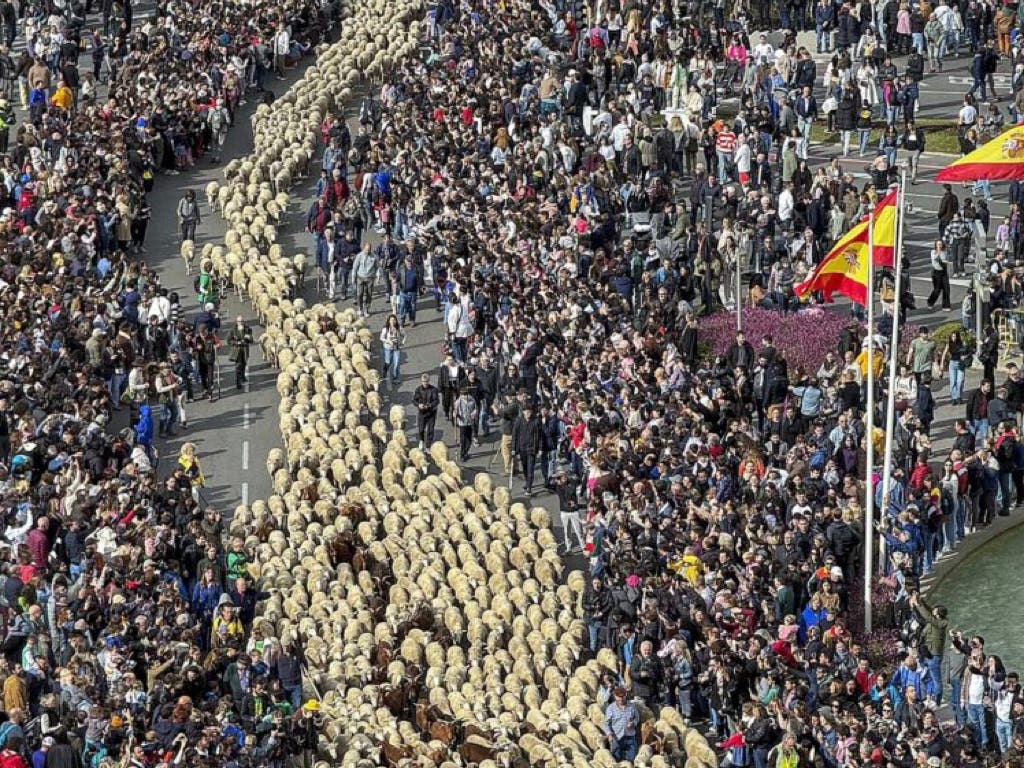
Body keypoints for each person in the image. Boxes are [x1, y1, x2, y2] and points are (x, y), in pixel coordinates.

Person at [511, 400, 542, 495]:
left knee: (530, 468)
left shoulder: (536, 421)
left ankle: (529, 487)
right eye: (526, 412)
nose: (528, 414)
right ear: (523, 412)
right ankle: (527, 481)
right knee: (524, 467)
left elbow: (540, 436)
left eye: (529, 412)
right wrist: (513, 448)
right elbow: (515, 435)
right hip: (522, 448)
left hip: (532, 449)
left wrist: (540, 448)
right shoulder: (519, 421)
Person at [604, 688, 640, 762]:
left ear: (625, 695)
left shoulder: (632, 706)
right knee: (616, 761)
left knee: (631, 761)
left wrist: (633, 723)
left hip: (630, 738)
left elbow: (637, 717)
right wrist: (609, 734)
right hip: (616, 738)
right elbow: (606, 724)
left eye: (622, 697)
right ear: (615, 696)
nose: (621, 699)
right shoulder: (611, 708)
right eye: (618, 697)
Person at [412, 372, 440, 449]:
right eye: (424, 381)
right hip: (422, 413)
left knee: (430, 430)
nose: (425, 383)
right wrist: (419, 405)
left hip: (431, 412)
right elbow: (414, 400)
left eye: (426, 381)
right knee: (421, 429)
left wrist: (430, 405)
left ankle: (428, 446)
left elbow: (437, 401)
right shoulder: (418, 390)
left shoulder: (434, 389)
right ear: (421, 381)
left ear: (429, 381)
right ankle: (421, 440)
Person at [379, 313, 406, 387]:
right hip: (388, 348)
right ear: (389, 321)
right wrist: (388, 341)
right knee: (388, 362)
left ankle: (395, 378)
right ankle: (384, 373)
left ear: (396, 321)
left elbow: (404, 335)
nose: (393, 322)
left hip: (396, 348)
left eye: (394, 320)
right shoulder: (385, 329)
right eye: (391, 320)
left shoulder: (399, 328)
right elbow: (381, 338)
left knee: (396, 363)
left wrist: (402, 343)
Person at [227, 316, 253, 390]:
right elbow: (229, 340)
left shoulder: (248, 329)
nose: (240, 323)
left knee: (244, 363)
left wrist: (249, 338)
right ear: (237, 322)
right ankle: (238, 383)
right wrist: (236, 342)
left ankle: (242, 376)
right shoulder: (233, 330)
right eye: (239, 321)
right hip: (237, 350)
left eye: (242, 321)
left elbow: (251, 340)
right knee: (238, 366)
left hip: (244, 349)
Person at [453, 386, 478, 462]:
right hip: (462, 423)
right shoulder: (458, 402)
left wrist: (474, 412)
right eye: (463, 395)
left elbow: (476, 408)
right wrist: (455, 414)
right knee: (463, 439)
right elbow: (454, 412)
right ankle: (462, 455)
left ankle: (466, 452)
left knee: (469, 440)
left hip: (470, 422)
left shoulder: (472, 399)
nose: (464, 396)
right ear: (461, 395)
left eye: (466, 394)